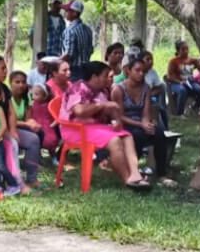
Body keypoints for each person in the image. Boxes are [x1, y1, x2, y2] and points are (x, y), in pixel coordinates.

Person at [61, 61, 151, 190]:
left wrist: (117, 121)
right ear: (94, 77)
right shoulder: (78, 88)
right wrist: (101, 105)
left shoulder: (103, 90)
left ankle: (135, 174)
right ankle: (128, 179)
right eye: (105, 75)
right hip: (75, 129)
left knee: (126, 135)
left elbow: (112, 110)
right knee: (114, 141)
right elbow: (79, 111)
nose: (108, 77)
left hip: (94, 128)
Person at [0, 56, 39, 192]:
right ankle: (17, 182)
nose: (6, 72)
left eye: (6, 68)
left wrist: (12, 130)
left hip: (6, 130)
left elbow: (11, 113)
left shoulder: (4, 88)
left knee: (33, 139)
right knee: (12, 145)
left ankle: (32, 178)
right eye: (2, 68)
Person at [111, 58, 176, 187]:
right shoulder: (118, 89)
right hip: (125, 123)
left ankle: (161, 173)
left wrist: (147, 124)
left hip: (140, 121)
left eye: (143, 71)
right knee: (138, 135)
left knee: (159, 133)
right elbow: (119, 116)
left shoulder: (145, 88)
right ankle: (133, 171)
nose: (141, 74)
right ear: (128, 71)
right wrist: (141, 125)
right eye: (137, 70)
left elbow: (146, 112)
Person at [9, 70, 45, 188]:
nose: (21, 85)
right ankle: (31, 176)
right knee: (33, 139)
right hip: (9, 128)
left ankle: (32, 161)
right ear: (11, 83)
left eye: (23, 82)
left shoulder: (27, 97)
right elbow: (10, 120)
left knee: (39, 131)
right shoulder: (7, 97)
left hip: (20, 125)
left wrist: (32, 123)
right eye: (17, 82)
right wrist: (27, 124)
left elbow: (27, 118)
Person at [166, 40, 200, 117]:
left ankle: (195, 106)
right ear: (178, 50)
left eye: (187, 49)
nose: (186, 51)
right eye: (183, 49)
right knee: (182, 90)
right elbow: (169, 76)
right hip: (177, 83)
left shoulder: (192, 60)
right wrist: (179, 82)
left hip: (190, 82)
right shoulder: (173, 61)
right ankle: (179, 113)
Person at [60, 0, 94, 81]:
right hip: (87, 68)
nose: (65, 13)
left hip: (74, 70)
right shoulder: (88, 29)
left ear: (75, 13)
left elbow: (68, 54)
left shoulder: (69, 30)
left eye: (67, 11)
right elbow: (91, 49)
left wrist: (56, 62)